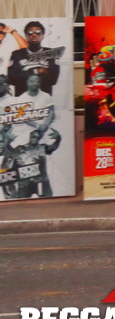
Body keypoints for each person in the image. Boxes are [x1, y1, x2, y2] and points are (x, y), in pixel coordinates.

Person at [2, 71, 60, 199]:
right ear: (27, 83)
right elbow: (21, 117)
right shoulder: (21, 99)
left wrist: (44, 126)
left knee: (44, 162)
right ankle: (21, 191)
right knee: (23, 162)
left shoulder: (46, 96)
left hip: (44, 134)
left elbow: (51, 112)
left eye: (37, 81)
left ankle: (45, 191)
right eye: (32, 81)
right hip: (26, 134)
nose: (35, 84)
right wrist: (37, 126)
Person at [6, 21, 63, 97]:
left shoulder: (51, 53)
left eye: (38, 32)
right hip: (21, 101)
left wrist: (24, 74)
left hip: (44, 102)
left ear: (42, 35)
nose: (34, 35)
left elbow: (53, 80)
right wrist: (38, 71)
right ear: (26, 36)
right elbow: (12, 79)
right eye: (30, 33)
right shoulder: (17, 54)